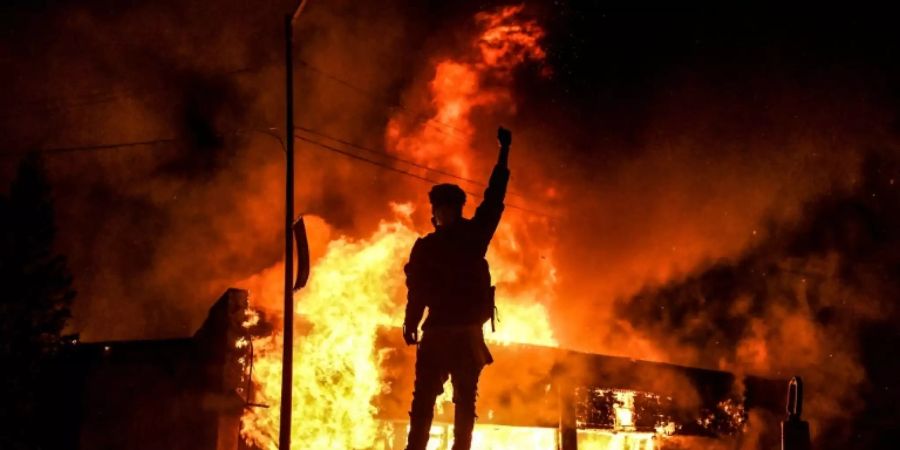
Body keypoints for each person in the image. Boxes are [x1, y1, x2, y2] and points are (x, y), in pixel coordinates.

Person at [402, 126, 512, 450]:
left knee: (454, 402)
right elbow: (418, 290)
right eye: (441, 207)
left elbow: (494, 199)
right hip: (446, 333)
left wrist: (503, 154)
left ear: (451, 210)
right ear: (436, 211)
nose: (444, 213)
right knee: (438, 402)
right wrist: (411, 322)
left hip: (458, 333)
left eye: (448, 207)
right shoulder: (436, 245)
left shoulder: (464, 238)